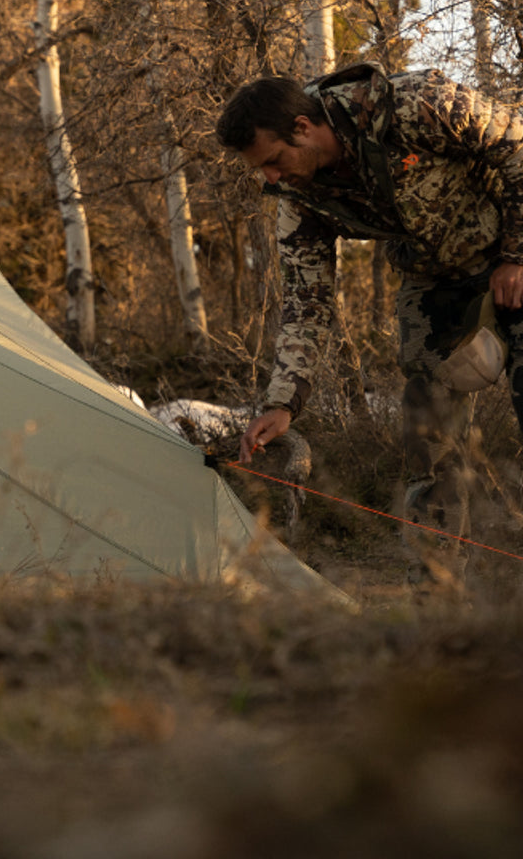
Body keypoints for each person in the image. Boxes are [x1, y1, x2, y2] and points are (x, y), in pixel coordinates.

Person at [215, 62, 523, 584]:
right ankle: (439, 598)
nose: (270, 178)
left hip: (509, 247)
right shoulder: (297, 200)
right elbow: (306, 300)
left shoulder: (416, 102)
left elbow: (516, 144)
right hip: (432, 281)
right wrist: (282, 403)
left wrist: (517, 253)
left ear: (302, 127)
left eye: (273, 161)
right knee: (429, 442)